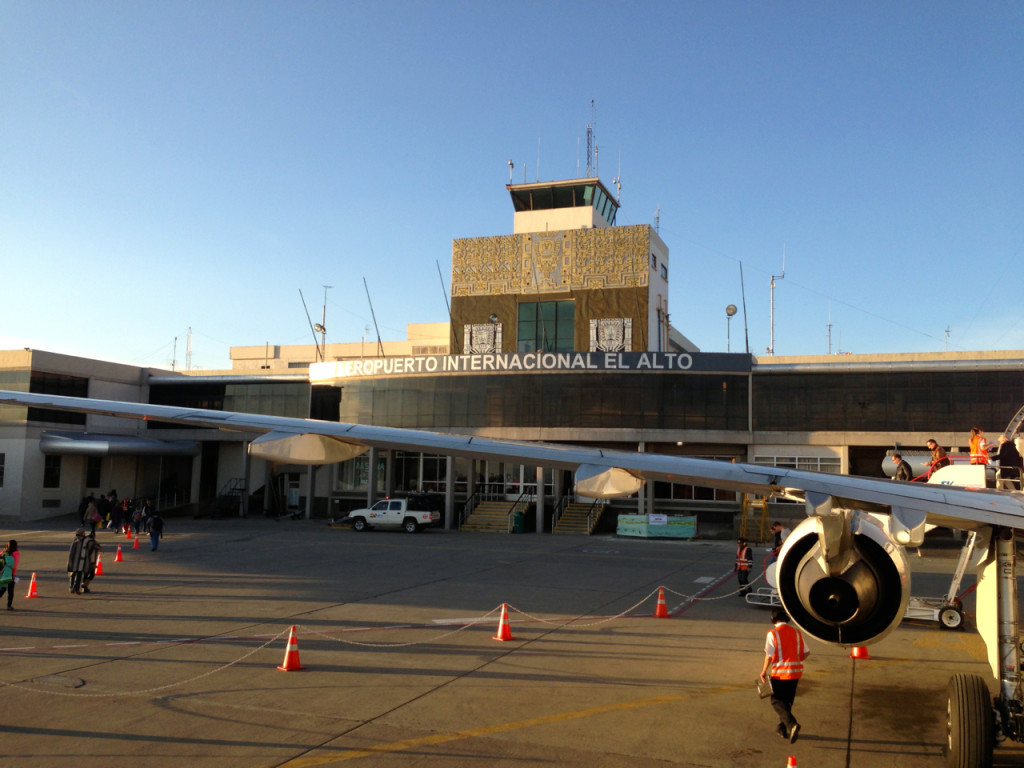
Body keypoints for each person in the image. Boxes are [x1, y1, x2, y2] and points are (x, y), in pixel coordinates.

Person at [759, 607, 810, 744]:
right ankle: (782, 728)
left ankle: (792, 724)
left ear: (773, 619)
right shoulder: (796, 632)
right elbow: (806, 652)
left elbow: (769, 655)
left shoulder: (773, 633)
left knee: (776, 701)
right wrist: (795, 660)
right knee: (787, 702)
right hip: (795, 673)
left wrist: (763, 671)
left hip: (780, 674)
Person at [67, 529, 89, 594]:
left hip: (77, 561)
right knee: (77, 574)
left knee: (75, 574)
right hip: (77, 561)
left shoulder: (80, 540)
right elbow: (72, 552)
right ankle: (74, 588)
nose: (84, 534)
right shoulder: (78, 540)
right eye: (83, 533)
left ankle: (73, 588)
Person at [0, 540, 17, 610]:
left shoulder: (3, 553)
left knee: (2, 589)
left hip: (1, 574)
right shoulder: (12, 557)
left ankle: (9, 605)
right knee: (10, 590)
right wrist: (13, 576)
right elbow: (13, 566)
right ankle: (9, 605)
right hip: (7, 575)